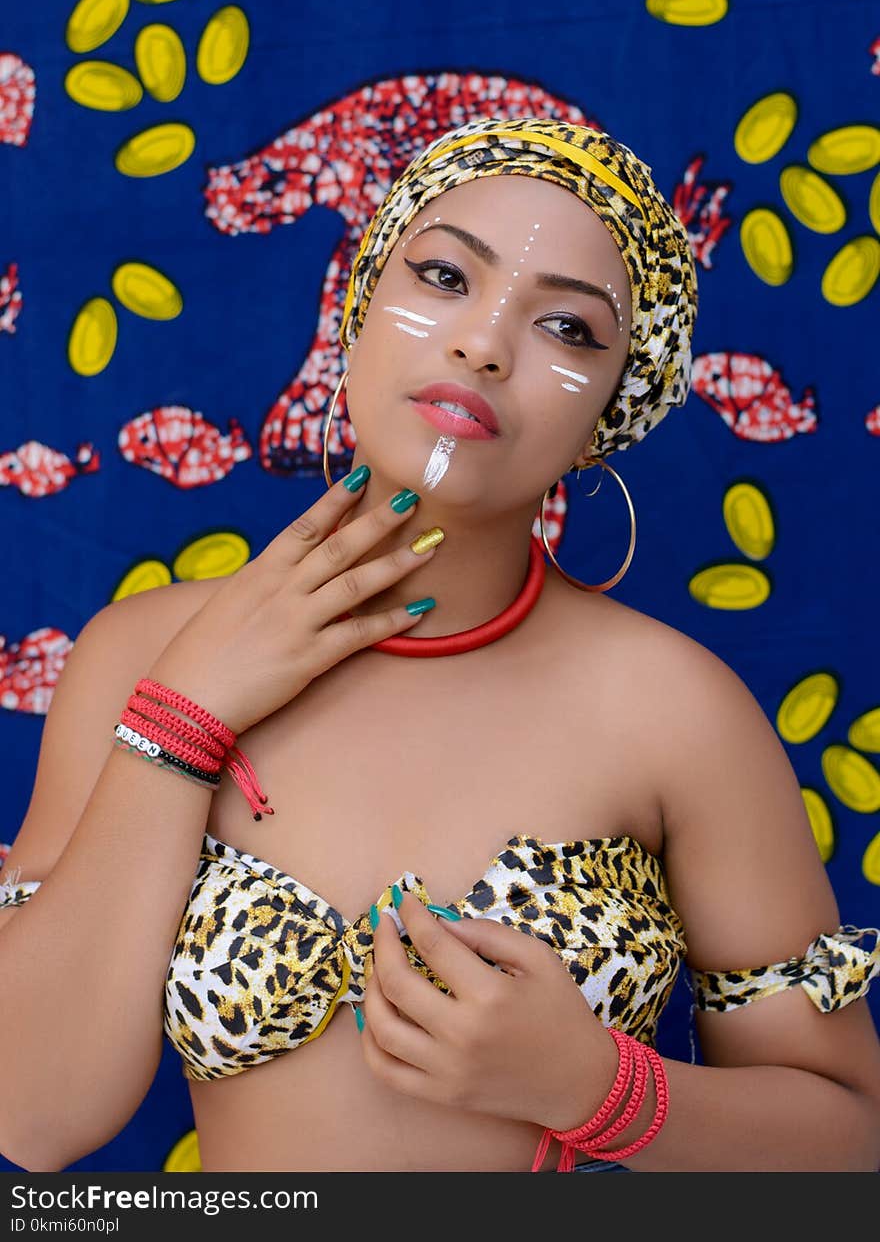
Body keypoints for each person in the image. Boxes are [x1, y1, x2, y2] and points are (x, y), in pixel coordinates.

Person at [1, 118, 879, 1175]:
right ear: (358, 304)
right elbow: (32, 1118)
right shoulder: (139, 651)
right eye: (444, 273)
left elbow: (849, 1152)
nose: (485, 342)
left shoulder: (677, 712)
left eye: (566, 326)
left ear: (615, 406)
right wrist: (179, 715)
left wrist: (599, 1088)